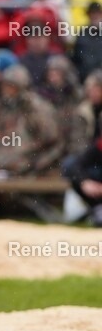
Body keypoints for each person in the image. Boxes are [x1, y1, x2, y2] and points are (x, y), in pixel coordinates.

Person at [61, 70, 102, 226]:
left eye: (96, 88)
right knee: (71, 166)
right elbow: (80, 150)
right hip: (92, 157)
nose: (92, 92)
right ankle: (96, 207)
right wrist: (85, 181)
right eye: (90, 89)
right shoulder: (82, 111)